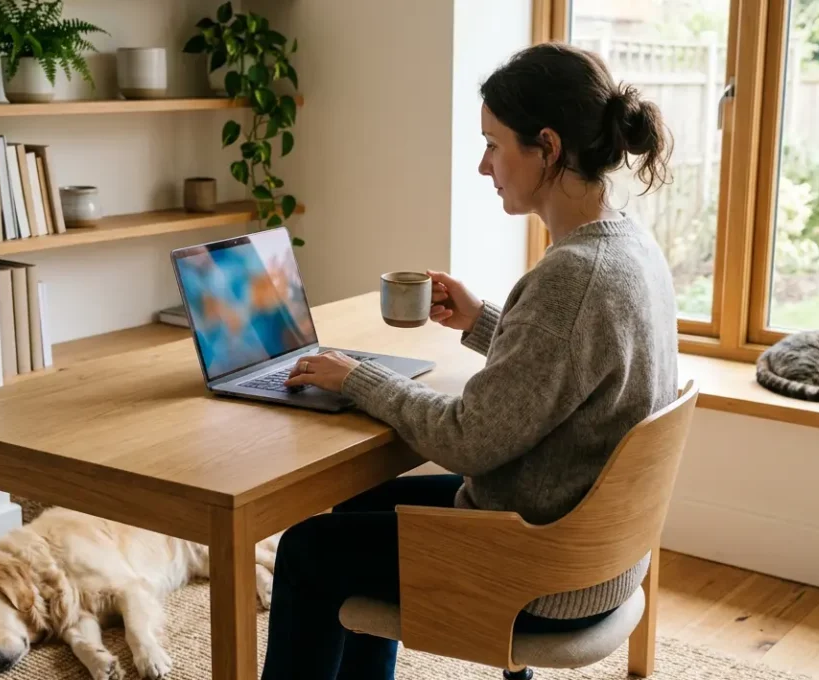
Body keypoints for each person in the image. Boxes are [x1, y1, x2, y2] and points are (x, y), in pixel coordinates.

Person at [261, 41, 680, 680]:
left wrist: (358, 377)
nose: (484, 166)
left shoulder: (574, 276)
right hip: (592, 546)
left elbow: (469, 440)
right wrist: (485, 320)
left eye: (492, 144)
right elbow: (573, 365)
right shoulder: (626, 244)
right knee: (360, 504)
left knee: (305, 551)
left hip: (539, 564)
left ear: (548, 146)